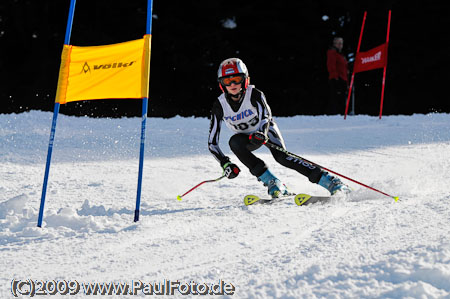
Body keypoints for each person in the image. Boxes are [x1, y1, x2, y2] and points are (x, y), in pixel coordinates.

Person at [208, 58, 350, 198]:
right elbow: (212, 143)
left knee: (282, 157)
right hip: (247, 139)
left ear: (245, 80)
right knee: (235, 143)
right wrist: (225, 163)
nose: (232, 84)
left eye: (237, 79)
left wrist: (262, 133)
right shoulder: (219, 106)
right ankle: (273, 182)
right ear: (222, 84)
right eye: (227, 81)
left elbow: (266, 117)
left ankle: (330, 181)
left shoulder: (255, 95)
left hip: (265, 131)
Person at [326, 37, 349, 115]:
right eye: (338, 43)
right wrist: (335, 78)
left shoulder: (341, 54)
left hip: (343, 79)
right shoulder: (332, 52)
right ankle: (334, 114)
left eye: (341, 43)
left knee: (342, 98)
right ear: (334, 44)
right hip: (337, 79)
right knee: (336, 98)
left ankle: (341, 113)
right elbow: (331, 66)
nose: (340, 45)